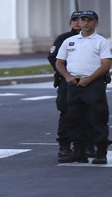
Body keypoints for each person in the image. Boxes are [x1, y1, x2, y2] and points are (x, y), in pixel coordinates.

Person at [55, 10, 112, 164]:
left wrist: (88, 80)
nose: (86, 22)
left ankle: (100, 151)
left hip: (94, 84)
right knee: (74, 118)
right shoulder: (69, 41)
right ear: (78, 22)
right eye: (83, 20)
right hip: (74, 84)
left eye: (89, 20)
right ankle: (79, 150)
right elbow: (59, 62)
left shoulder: (102, 41)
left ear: (96, 23)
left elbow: (105, 65)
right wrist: (68, 77)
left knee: (97, 117)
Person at [47, 11, 83, 162]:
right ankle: (64, 145)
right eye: (73, 20)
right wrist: (67, 74)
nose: (77, 22)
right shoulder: (64, 38)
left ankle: (86, 145)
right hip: (67, 82)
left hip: (89, 81)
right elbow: (53, 57)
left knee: (91, 113)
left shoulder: (96, 40)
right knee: (67, 112)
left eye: (80, 20)